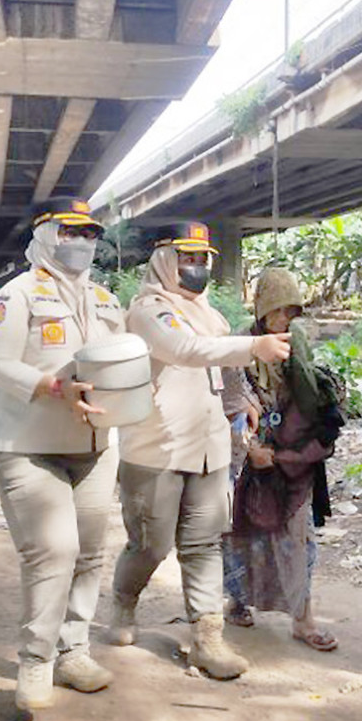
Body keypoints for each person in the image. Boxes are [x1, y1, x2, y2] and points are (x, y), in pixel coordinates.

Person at [108, 222, 291, 679]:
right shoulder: (150, 310)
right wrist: (255, 346)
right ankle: (124, 600)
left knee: (204, 544)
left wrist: (242, 403)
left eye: (203, 258)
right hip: (157, 450)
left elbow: (223, 372)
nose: (197, 268)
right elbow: (187, 349)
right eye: (187, 258)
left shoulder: (212, 315)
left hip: (209, 450)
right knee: (150, 545)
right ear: (165, 260)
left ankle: (208, 641)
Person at [0, 197, 125, 711]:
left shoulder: (108, 300)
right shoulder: (15, 296)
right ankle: (36, 660)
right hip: (27, 446)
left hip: (93, 446)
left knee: (89, 553)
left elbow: (122, 363)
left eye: (89, 234)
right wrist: (48, 384)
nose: (81, 243)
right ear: (44, 233)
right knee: (53, 551)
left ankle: (74, 652)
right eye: (70, 232)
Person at [222, 267, 340, 651]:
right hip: (246, 454)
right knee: (241, 530)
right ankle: (237, 601)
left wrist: (293, 449)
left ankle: (303, 619)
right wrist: (250, 447)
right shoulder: (239, 343)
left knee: (298, 534)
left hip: (289, 457)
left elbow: (306, 395)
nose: (284, 320)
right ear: (261, 309)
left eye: (291, 312)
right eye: (277, 311)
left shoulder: (297, 342)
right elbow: (229, 399)